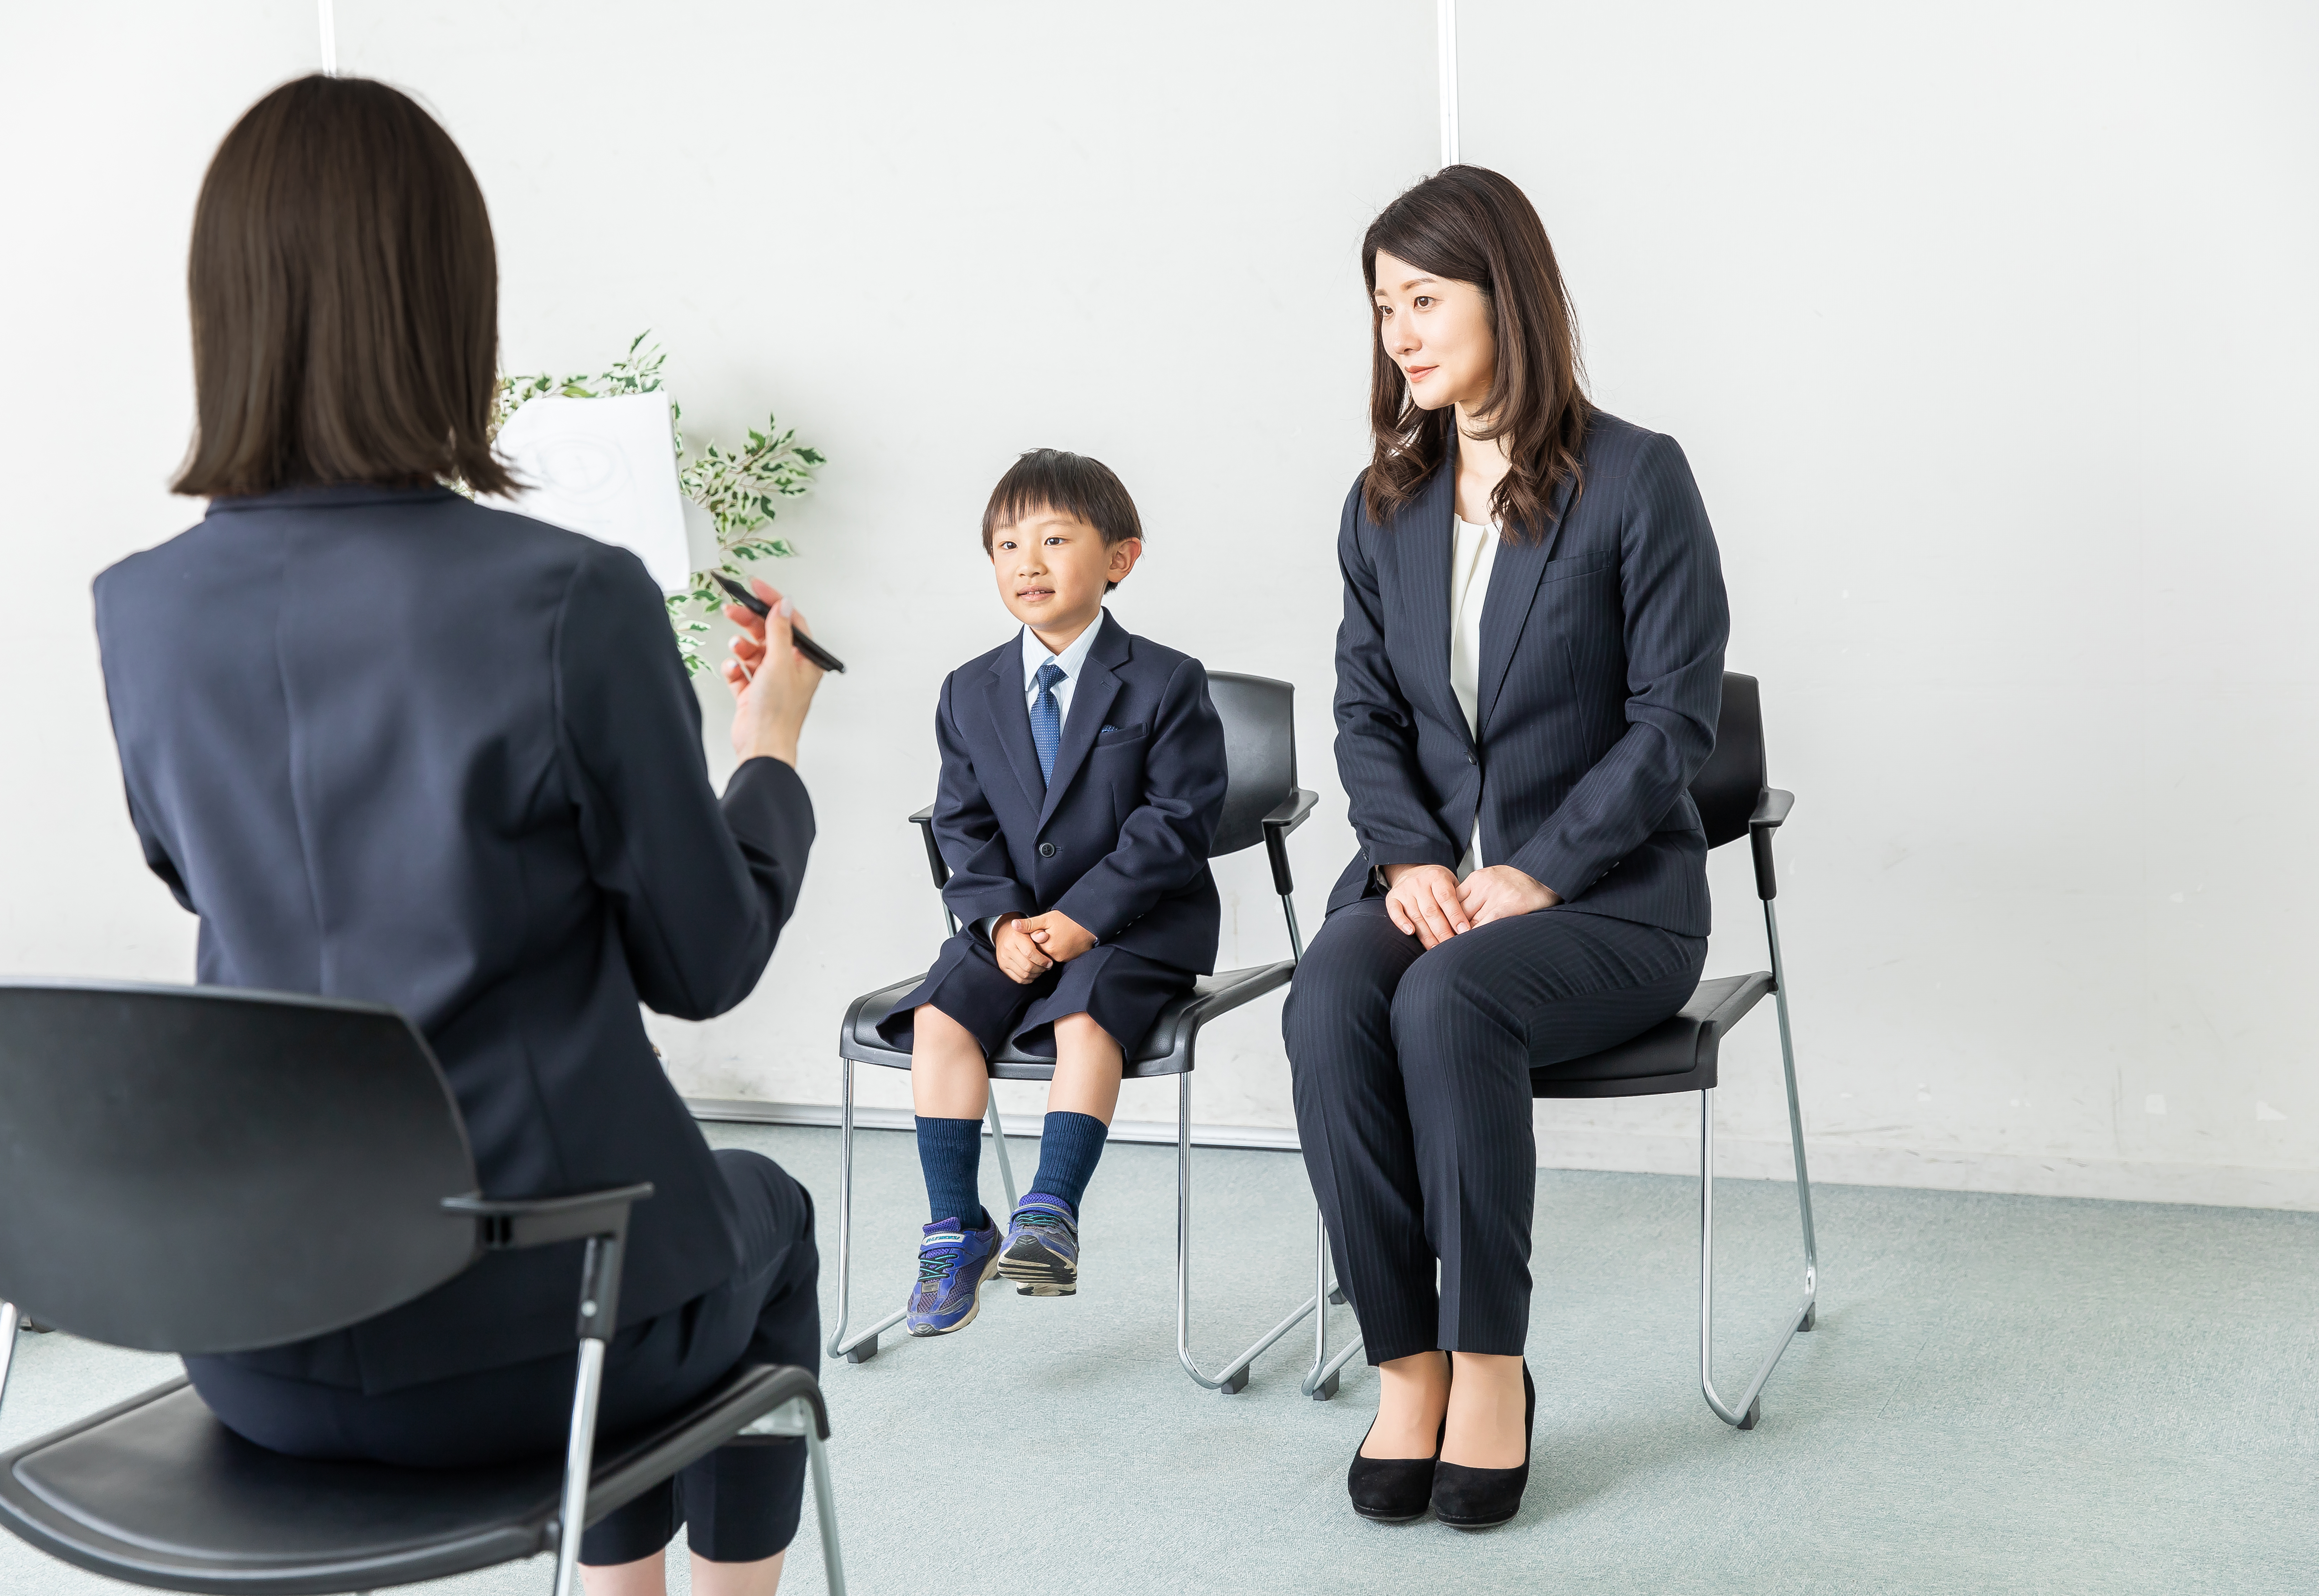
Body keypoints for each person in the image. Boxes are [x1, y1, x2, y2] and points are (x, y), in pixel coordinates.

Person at [92, 77, 825, 1596]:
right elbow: (703, 962)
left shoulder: (140, 608)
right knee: (757, 1222)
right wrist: (766, 751)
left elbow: (198, 868)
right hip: (529, 1343)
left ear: (224, 308)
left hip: (252, 1338)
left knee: (623, 1243)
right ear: (449, 304)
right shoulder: (567, 598)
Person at [1283, 166, 1729, 1530]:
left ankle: (1489, 1364)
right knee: (1329, 996)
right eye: (1382, 308)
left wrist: (1537, 867)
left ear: (1505, 293)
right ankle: (1404, 1362)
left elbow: (1676, 718)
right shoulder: (1385, 503)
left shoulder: (1637, 477)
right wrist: (1409, 857)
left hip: (1609, 905)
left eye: (1424, 298)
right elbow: (1365, 711)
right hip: (1436, 885)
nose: (1400, 333)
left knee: (1450, 994)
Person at [878, 449, 1227, 1335]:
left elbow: (1174, 823)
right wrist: (998, 922)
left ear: (1120, 558)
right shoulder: (969, 689)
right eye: (1005, 544)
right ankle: (956, 1226)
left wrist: (1078, 921)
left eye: (1054, 538)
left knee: (1085, 1011)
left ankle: (1050, 1208)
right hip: (1011, 925)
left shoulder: (1166, 679)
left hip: (1135, 925)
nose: (1026, 561)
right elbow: (962, 822)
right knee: (940, 1014)